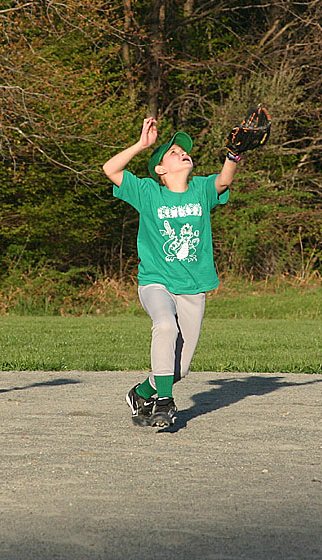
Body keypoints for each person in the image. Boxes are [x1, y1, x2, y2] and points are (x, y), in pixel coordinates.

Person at [103, 116, 239, 428]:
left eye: (184, 151)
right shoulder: (149, 192)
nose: (182, 153)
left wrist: (233, 155)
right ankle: (164, 401)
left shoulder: (202, 189)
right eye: (174, 152)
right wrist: (142, 145)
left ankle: (142, 393)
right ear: (161, 170)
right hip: (156, 282)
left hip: (193, 286)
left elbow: (224, 181)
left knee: (180, 369)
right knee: (165, 326)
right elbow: (110, 170)